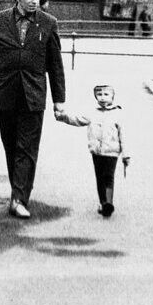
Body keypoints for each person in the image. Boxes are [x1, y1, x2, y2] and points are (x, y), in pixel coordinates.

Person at [0, 0, 66, 219]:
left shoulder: (48, 23)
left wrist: (59, 101)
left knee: (27, 149)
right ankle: (17, 191)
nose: (34, 1)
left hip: (33, 95)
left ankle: (19, 199)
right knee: (11, 147)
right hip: (5, 93)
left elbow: (55, 65)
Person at [56, 81, 130, 218]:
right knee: (100, 178)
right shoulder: (92, 112)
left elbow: (124, 135)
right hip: (96, 152)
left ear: (113, 96)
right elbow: (77, 120)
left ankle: (108, 202)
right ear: (95, 96)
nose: (103, 97)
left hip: (112, 152)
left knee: (108, 177)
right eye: (99, 94)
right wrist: (63, 117)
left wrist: (126, 155)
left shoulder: (118, 114)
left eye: (106, 94)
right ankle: (103, 203)